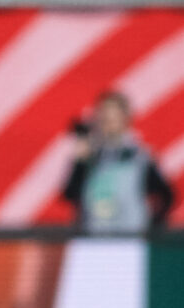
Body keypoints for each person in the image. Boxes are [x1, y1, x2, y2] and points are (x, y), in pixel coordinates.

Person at [62, 90, 174, 233]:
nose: (108, 122)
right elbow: (70, 194)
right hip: (92, 238)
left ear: (125, 118)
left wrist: (150, 224)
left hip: (128, 241)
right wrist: (80, 162)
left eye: (113, 117)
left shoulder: (138, 157)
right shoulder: (91, 155)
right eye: (104, 117)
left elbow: (166, 195)